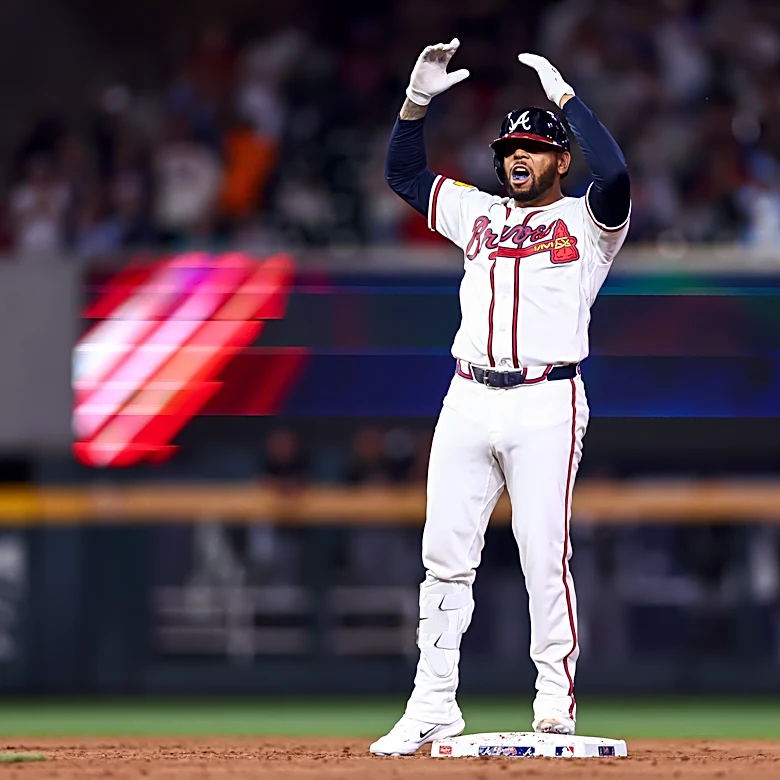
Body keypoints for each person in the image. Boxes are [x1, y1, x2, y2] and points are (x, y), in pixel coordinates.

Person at [370, 40, 630, 756]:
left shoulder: (588, 224)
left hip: (547, 400)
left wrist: (569, 103)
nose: (519, 156)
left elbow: (618, 174)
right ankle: (431, 705)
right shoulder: (475, 213)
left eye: (536, 147)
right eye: (511, 146)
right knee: (444, 556)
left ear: (560, 160)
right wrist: (415, 103)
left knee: (544, 555)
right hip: (468, 395)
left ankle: (554, 703)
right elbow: (401, 171)